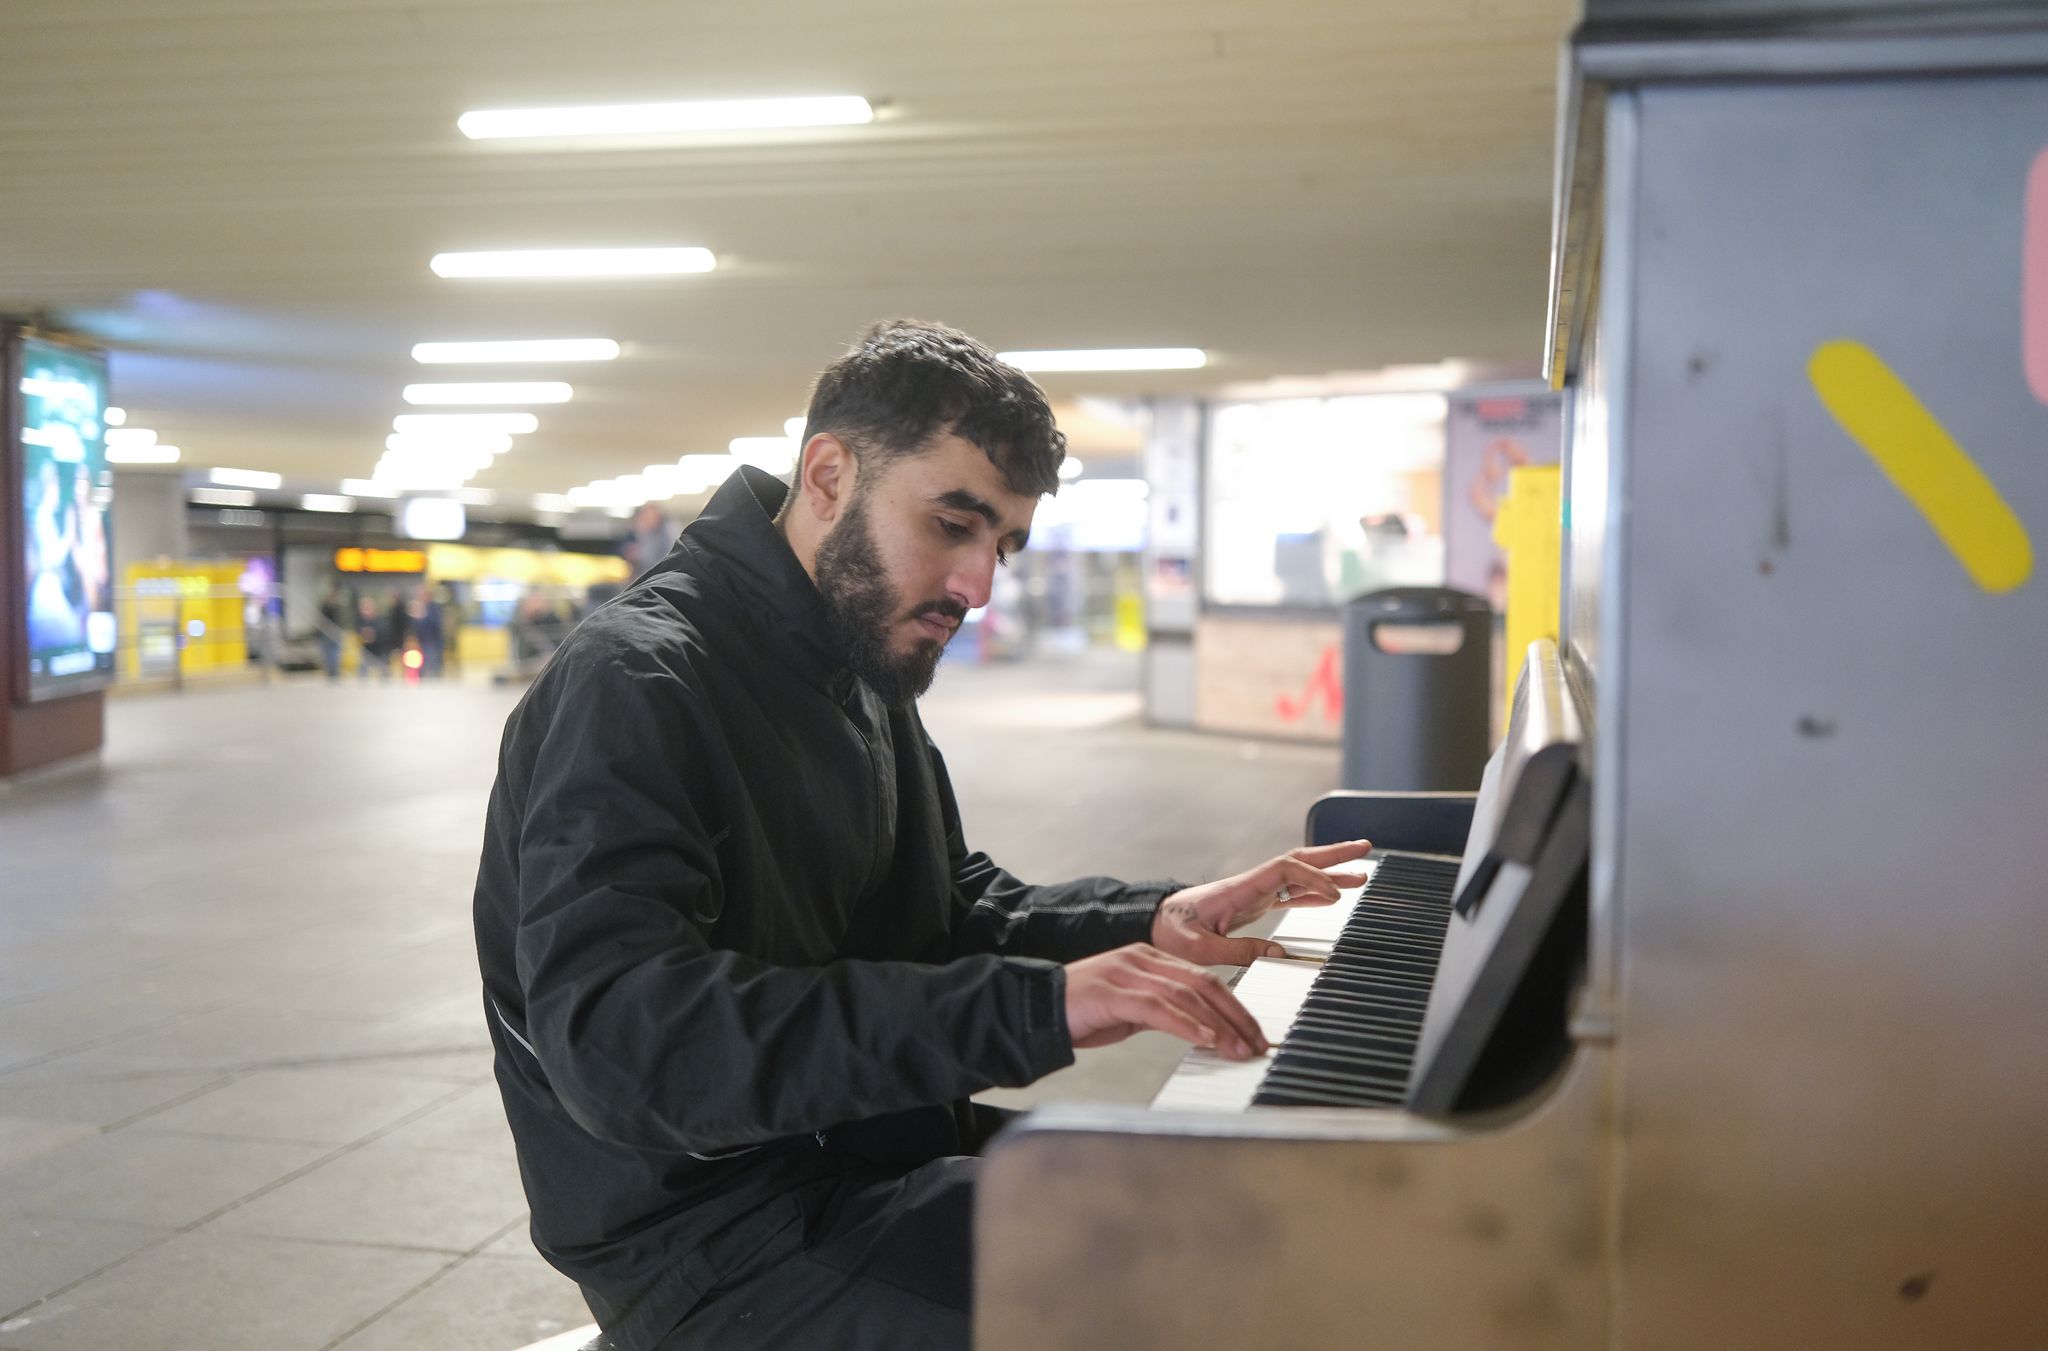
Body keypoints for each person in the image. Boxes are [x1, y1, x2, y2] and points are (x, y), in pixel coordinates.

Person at [472, 320, 1371, 1351]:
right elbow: (627, 1047)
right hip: (717, 1244)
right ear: (826, 476)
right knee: (1180, 1312)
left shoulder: (855, 657)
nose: (979, 585)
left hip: (864, 1155)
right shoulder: (636, 682)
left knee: (1236, 1221)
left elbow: (943, 908)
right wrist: (1036, 1005)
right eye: (952, 523)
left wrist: (1148, 925)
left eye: (1002, 544)